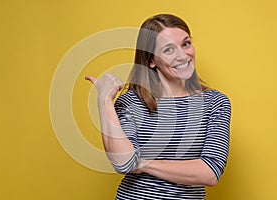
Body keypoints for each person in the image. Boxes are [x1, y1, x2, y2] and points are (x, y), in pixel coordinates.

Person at [85, 13, 231, 200]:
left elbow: (210, 172)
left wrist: (142, 162)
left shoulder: (215, 103)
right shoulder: (132, 102)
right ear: (151, 60)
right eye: (169, 50)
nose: (182, 55)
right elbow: (123, 164)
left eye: (186, 44)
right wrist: (104, 101)